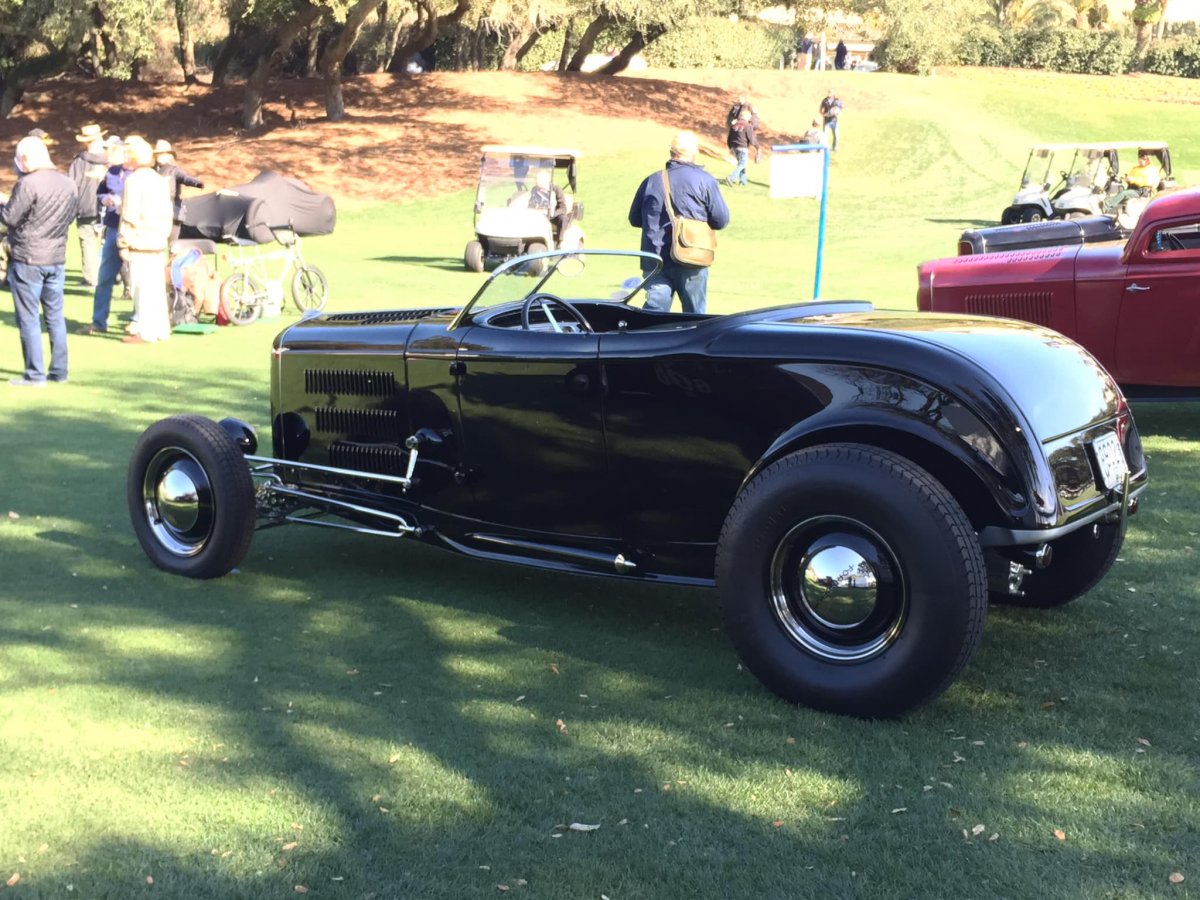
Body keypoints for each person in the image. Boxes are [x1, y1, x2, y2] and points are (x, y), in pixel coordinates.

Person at [0, 136, 77, 387]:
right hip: (56, 257)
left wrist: (2, 203)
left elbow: (10, 218)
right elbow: (68, 218)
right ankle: (59, 371)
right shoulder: (68, 183)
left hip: (29, 257)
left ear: (25, 159)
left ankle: (34, 374)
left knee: (29, 317)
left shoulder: (28, 184)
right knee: (55, 316)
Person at [628, 130, 730, 315]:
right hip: (692, 255)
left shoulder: (651, 180)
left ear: (671, 152)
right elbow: (721, 220)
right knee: (695, 318)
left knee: (654, 318)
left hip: (655, 257)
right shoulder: (705, 180)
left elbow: (634, 219)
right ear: (693, 152)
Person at [118, 136, 174, 344]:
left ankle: (146, 332)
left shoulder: (134, 181)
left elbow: (130, 215)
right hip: (158, 240)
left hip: (141, 241)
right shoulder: (159, 179)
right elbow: (168, 212)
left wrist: (123, 242)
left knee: (141, 289)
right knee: (157, 289)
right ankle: (161, 330)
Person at [79, 136, 129, 335]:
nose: (108, 155)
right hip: (113, 228)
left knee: (140, 279)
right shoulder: (111, 172)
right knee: (105, 277)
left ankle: (137, 322)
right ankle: (99, 322)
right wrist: (107, 199)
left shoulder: (139, 174)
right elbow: (100, 194)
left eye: (111, 151)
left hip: (135, 230)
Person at [68, 123, 109, 287]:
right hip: (109, 207)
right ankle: (117, 276)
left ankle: (91, 278)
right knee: (111, 242)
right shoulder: (111, 159)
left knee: (88, 242)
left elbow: (71, 185)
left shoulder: (79, 161)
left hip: (86, 207)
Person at [153, 139, 204, 243]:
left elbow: (185, 178)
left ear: (169, 156)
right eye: (158, 154)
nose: (160, 157)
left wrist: (197, 183)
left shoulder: (174, 170)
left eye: (163, 154)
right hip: (155, 211)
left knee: (173, 244)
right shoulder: (150, 171)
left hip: (172, 210)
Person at [527, 168, 571, 243]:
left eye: (539, 179)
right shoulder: (535, 190)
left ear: (546, 180)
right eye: (536, 179)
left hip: (553, 215)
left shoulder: (556, 189)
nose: (537, 181)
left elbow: (563, 208)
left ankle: (559, 241)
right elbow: (531, 204)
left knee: (563, 218)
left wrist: (552, 213)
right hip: (539, 214)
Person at [725, 108, 760, 187]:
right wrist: (758, 147)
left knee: (742, 164)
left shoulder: (734, 125)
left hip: (734, 147)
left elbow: (729, 137)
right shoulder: (748, 126)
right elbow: (752, 139)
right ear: (747, 117)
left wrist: (730, 147)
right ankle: (732, 178)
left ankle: (742, 181)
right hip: (742, 147)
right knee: (742, 164)